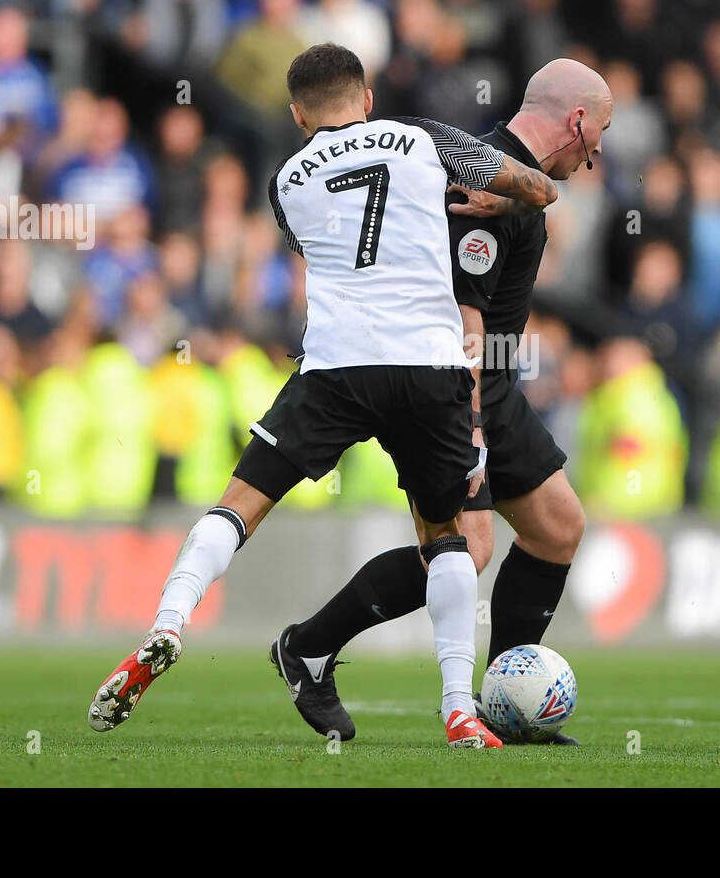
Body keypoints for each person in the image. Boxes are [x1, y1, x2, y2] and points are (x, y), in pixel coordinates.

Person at [86, 43, 558, 749]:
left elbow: (321, 251)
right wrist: (506, 194)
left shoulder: (286, 180)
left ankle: (167, 624)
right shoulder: (424, 138)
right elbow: (536, 187)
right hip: (428, 366)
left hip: (335, 366)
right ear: (367, 97)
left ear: (298, 114)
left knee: (238, 504)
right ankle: (460, 707)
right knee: (448, 537)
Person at [273, 59, 612, 745]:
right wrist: (473, 426)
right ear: (577, 121)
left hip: (496, 383)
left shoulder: (505, 178)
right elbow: (465, 316)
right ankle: (307, 647)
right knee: (470, 547)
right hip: (458, 384)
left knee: (556, 527)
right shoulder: (474, 185)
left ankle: (502, 706)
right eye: (600, 131)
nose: (599, 149)